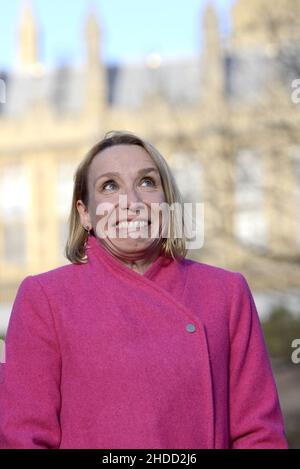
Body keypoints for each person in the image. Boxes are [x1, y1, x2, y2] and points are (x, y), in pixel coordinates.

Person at [0, 131, 288, 449]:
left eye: (147, 182)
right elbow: (23, 437)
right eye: (109, 186)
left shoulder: (226, 294)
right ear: (85, 213)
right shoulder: (45, 299)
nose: (132, 203)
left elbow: (260, 435)